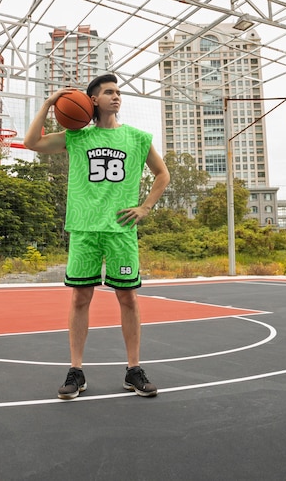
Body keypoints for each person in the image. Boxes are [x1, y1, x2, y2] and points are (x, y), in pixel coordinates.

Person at [24, 73, 170, 399]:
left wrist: (145, 207)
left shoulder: (137, 137)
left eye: (118, 92)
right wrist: (49, 103)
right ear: (93, 100)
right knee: (79, 298)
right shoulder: (77, 136)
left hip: (121, 229)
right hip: (85, 228)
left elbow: (163, 174)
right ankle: (76, 371)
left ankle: (134, 369)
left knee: (128, 298)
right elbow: (31, 143)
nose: (116, 96)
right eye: (108, 92)